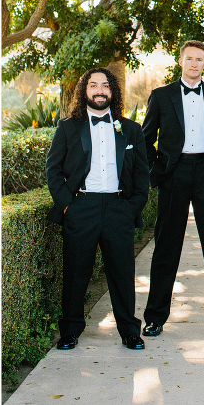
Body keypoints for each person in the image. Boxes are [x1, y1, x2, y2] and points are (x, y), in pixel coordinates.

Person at [45, 68, 149, 351]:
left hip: (118, 208)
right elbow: (53, 169)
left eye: (105, 85)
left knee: (123, 273)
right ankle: (70, 331)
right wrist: (67, 205)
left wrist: (132, 207)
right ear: (85, 91)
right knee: (76, 272)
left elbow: (142, 174)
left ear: (112, 91)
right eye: (93, 85)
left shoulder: (130, 129)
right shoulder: (68, 127)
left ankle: (130, 331)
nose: (99, 90)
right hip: (82, 207)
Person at [141, 41, 204, 338]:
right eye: (189, 58)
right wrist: (158, 171)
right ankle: (155, 316)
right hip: (174, 173)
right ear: (180, 61)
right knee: (166, 246)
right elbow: (146, 139)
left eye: (199, 59)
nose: (194, 63)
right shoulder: (161, 96)